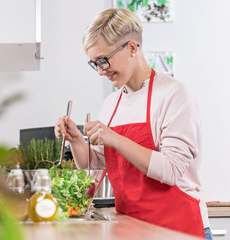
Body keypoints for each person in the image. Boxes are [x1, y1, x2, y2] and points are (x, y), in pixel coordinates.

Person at [54, 8, 212, 239]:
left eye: (104, 60)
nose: (100, 71)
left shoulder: (174, 94)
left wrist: (115, 139)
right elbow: (97, 164)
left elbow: (171, 170)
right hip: (131, 229)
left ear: (131, 48)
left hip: (177, 228)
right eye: (94, 63)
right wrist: (77, 140)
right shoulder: (112, 103)